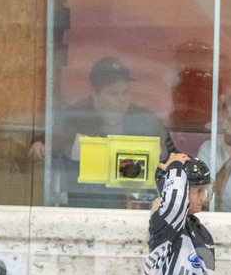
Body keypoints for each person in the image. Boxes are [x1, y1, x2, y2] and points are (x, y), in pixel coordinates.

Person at [52, 57, 166, 209]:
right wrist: (40, 145)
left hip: (137, 209)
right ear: (95, 94)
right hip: (86, 208)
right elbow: (51, 150)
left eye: (126, 92)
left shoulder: (147, 121)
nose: (122, 99)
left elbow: (166, 161)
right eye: (113, 93)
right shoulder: (74, 120)